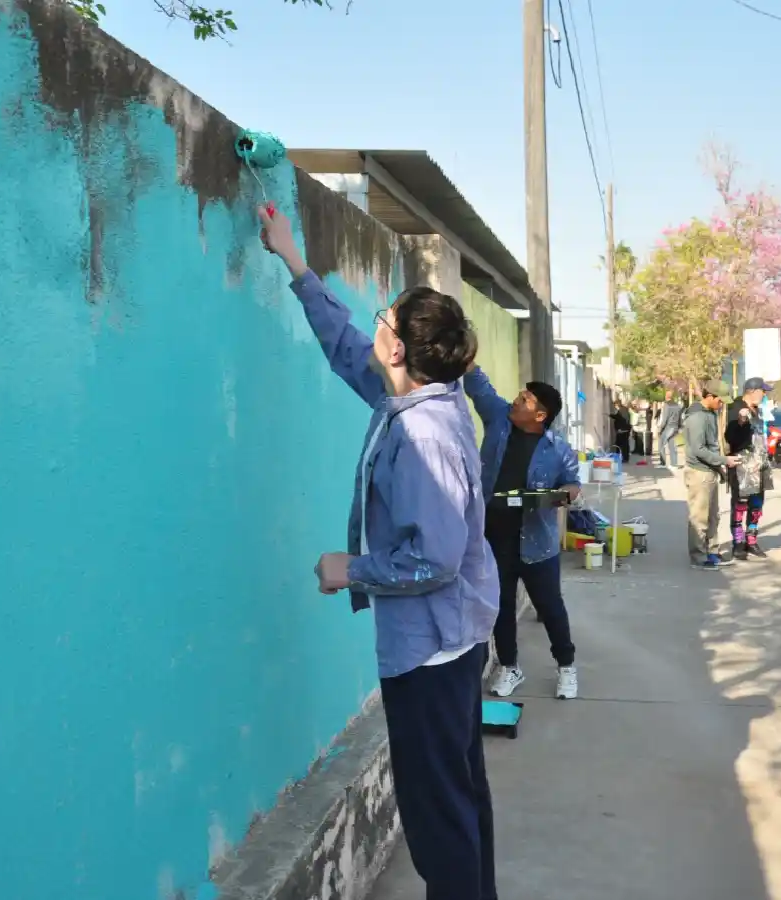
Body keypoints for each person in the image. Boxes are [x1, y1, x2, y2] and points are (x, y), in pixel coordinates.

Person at [260, 207, 499, 900]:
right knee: (459, 801)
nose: (375, 328)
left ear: (398, 351)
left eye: (384, 322)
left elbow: (437, 559)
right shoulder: (419, 393)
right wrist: (298, 265)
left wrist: (350, 569)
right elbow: (344, 347)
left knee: (436, 821)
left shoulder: (422, 437)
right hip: (451, 641)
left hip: (430, 652)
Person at [465, 368, 581, 700]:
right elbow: (478, 387)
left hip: (537, 544)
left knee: (550, 607)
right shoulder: (500, 420)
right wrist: (467, 358)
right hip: (493, 539)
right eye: (521, 394)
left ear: (540, 415)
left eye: (526, 399)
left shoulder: (557, 449)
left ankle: (567, 666)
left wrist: (567, 493)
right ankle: (510, 666)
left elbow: (572, 482)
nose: (518, 399)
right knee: (500, 607)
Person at [684, 380, 740, 571]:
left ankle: (712, 551)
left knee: (713, 516)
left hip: (709, 471)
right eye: (720, 400)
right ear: (710, 397)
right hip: (699, 472)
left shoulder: (710, 413)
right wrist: (724, 461)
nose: (722, 404)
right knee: (699, 517)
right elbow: (699, 449)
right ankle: (698, 557)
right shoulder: (697, 417)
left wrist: (720, 466)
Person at [725, 377, 773, 561]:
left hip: (759, 465)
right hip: (742, 467)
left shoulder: (758, 410)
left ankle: (751, 541)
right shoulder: (736, 408)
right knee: (740, 505)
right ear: (753, 391)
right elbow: (731, 436)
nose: (764, 395)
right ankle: (738, 543)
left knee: (756, 505)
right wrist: (742, 420)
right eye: (763, 391)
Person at [657, 390, 683, 467]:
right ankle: (674, 464)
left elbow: (665, 418)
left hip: (668, 427)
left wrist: (660, 429)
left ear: (666, 396)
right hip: (675, 427)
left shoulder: (666, 405)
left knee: (661, 444)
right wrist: (679, 427)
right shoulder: (677, 405)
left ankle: (663, 463)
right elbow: (680, 418)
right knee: (672, 445)